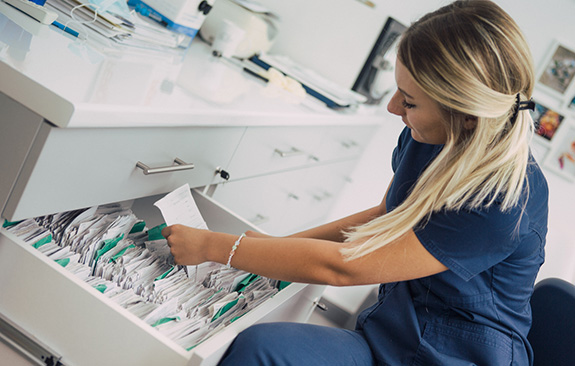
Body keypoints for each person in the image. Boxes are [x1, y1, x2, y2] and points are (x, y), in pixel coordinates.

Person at [161, 0, 549, 364]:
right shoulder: (429, 137)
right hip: (396, 332)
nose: (393, 107)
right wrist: (271, 248)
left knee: (260, 348)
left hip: (456, 355)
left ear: (467, 116)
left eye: (409, 101)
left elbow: (344, 269)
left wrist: (217, 247)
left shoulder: (503, 202)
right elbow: (383, 217)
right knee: (263, 347)